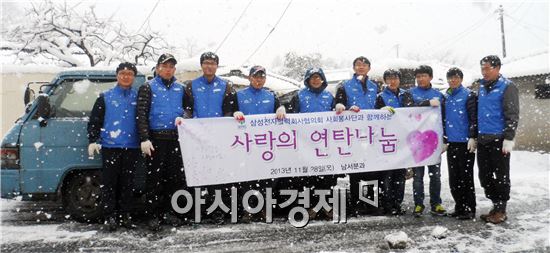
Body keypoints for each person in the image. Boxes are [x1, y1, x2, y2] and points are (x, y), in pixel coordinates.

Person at [183, 51, 238, 224]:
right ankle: (198, 210)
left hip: (218, 136)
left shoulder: (226, 85)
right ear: (201, 65)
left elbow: (229, 110)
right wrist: (186, 122)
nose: (209, 66)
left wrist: (224, 129)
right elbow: (188, 109)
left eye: (212, 63)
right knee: (198, 172)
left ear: (217, 66)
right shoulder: (191, 86)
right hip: (196, 136)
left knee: (218, 175)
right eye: (206, 63)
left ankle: (218, 210)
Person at [137, 53, 187, 231]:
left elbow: (189, 110)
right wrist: (144, 138)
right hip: (156, 139)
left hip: (176, 139)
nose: (168, 69)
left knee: (174, 179)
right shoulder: (148, 87)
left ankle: (169, 211)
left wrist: (184, 117)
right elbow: (141, 113)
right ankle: (152, 214)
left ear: (174, 69)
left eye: (171, 66)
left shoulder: (181, 88)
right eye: (164, 66)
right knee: (154, 179)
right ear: (158, 68)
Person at [87, 62, 140, 231]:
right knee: (109, 183)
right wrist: (93, 140)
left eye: (130, 73)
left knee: (128, 183)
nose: (126, 76)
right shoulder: (105, 96)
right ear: (117, 75)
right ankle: (109, 216)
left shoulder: (138, 97)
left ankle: (125, 215)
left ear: (134, 77)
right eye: (123, 73)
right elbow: (95, 120)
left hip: (132, 147)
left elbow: (144, 120)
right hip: (110, 146)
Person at [232, 65, 286, 222]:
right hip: (245, 143)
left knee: (268, 179)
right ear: (249, 78)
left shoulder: (271, 95)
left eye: (262, 77)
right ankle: (248, 210)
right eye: (256, 77)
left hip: (266, 144)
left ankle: (264, 208)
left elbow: (280, 108)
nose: (258, 80)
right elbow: (228, 112)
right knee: (247, 178)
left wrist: (281, 108)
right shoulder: (239, 95)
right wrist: (234, 113)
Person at [334, 56, 382, 216]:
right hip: (353, 133)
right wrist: (346, 107)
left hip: (371, 133)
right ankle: (355, 203)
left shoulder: (374, 86)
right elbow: (339, 105)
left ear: (369, 68)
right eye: (358, 65)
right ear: (354, 68)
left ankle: (370, 202)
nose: (361, 67)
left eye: (364, 65)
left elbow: (378, 106)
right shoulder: (345, 85)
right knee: (356, 169)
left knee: (372, 169)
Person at [286, 67, 335, 220]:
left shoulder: (329, 96)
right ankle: (310, 207)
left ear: (322, 79)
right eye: (312, 77)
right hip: (304, 143)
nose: (315, 80)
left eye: (318, 77)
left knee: (327, 176)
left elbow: (338, 117)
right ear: (307, 80)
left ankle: (326, 206)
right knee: (306, 178)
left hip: (325, 144)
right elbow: (290, 117)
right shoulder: (299, 96)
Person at [477, 55, 519, 224]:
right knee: (484, 176)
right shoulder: (480, 86)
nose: (484, 72)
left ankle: (501, 209)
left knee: (501, 176)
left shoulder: (507, 86)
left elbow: (512, 114)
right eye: (482, 68)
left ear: (498, 68)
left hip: (499, 140)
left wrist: (509, 137)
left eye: (488, 68)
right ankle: (495, 205)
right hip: (482, 139)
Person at [403, 65, 447, 217]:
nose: (421, 79)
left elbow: (445, 117)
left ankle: (436, 204)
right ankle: (418, 204)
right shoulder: (410, 94)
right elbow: (408, 111)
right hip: (416, 141)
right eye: (418, 76)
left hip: (433, 140)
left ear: (431, 77)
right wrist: (426, 104)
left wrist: (445, 138)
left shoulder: (439, 95)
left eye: (424, 76)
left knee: (435, 175)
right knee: (418, 176)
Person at [374, 68, 413, 215]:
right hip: (386, 140)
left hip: (403, 140)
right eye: (389, 78)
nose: (392, 81)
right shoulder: (380, 97)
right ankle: (386, 204)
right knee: (386, 175)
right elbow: (374, 116)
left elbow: (412, 112)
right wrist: (381, 110)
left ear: (399, 80)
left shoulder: (406, 95)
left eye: (395, 78)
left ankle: (397, 203)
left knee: (400, 174)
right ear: (385, 81)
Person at [442, 67, 478, 220]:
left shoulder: (468, 95)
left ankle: (469, 208)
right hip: (452, 143)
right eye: (450, 78)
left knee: (466, 177)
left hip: (465, 144)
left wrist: (472, 137)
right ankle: (459, 206)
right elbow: (443, 120)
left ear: (461, 79)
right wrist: (444, 139)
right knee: (454, 178)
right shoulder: (446, 97)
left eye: (456, 77)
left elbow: (473, 118)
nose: (453, 80)